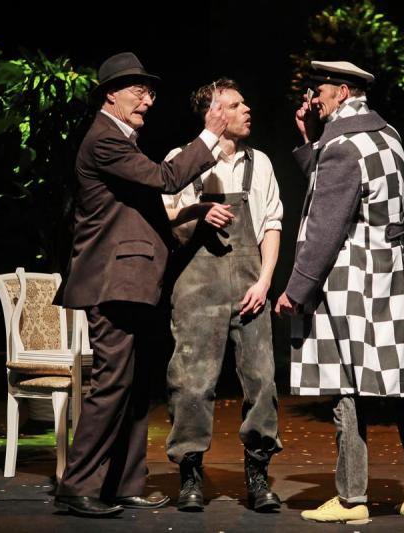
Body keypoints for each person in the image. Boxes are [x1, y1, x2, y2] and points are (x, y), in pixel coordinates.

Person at [52, 52, 227, 518]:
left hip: (133, 279)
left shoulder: (122, 141)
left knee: (133, 387)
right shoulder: (105, 140)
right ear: (111, 94)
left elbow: (139, 213)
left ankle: (124, 482)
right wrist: (210, 134)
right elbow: (165, 179)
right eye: (139, 91)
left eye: (150, 92)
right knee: (111, 383)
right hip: (112, 281)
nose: (148, 101)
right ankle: (78, 486)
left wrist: (192, 213)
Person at [275, 60, 404, 524]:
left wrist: (297, 289)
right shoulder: (387, 135)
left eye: (319, 90)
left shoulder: (343, 146)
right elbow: (340, 187)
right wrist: (312, 140)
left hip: (351, 278)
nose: (312, 98)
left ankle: (352, 499)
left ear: (343, 92)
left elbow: (326, 224)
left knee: (345, 382)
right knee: (401, 380)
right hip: (389, 276)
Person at [162, 78, 283, 512]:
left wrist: (265, 281)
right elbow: (166, 217)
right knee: (191, 383)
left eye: (244, 102)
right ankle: (191, 473)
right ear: (213, 113)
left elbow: (271, 224)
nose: (246, 109)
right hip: (197, 287)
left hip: (250, 285)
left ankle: (258, 473)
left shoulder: (260, 163)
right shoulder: (181, 159)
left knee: (262, 382)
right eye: (234, 104)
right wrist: (198, 211)